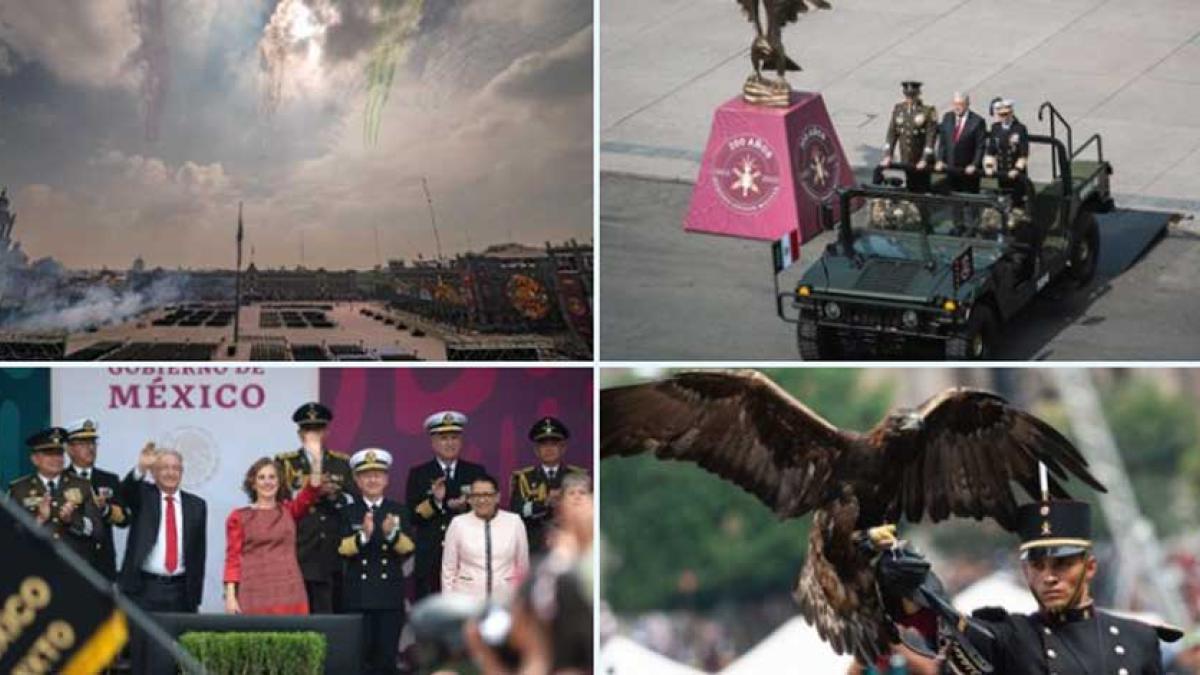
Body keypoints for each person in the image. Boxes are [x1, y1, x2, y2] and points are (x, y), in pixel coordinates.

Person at [874, 499, 1182, 675]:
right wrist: (908, 585)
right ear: (1025, 570)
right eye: (1038, 565)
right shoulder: (1011, 637)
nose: (1049, 576)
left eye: (1062, 564)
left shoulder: (1138, 638)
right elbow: (940, 627)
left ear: (1089, 567)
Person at [118, 443, 207, 675]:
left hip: (180, 591)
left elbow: (199, 553)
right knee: (142, 656)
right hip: (144, 589)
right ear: (155, 473)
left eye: (176, 468)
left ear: (182, 472)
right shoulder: (143, 496)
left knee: (178, 658)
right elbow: (125, 492)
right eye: (164, 468)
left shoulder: (197, 505)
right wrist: (140, 467)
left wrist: (194, 597)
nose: (170, 472)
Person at [338, 448, 415, 675]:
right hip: (357, 596)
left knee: (386, 659)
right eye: (366, 475)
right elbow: (342, 549)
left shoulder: (398, 510)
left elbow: (408, 549)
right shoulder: (348, 511)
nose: (373, 480)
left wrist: (392, 536)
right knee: (360, 659)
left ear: (387, 479)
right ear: (357, 480)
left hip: (388, 596)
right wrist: (364, 536)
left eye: (378, 474)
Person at [275, 401, 356, 613]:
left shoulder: (342, 463)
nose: (313, 435)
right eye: (308, 430)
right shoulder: (285, 463)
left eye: (318, 429)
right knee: (298, 618)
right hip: (299, 550)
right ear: (300, 433)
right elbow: (278, 503)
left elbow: (354, 501)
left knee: (332, 616)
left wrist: (334, 495)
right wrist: (309, 493)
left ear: (327, 432)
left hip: (332, 551)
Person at [224, 447, 323, 615]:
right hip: (253, 592)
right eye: (261, 478)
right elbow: (232, 559)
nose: (267, 482)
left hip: (289, 592)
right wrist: (231, 596)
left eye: (272, 477)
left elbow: (313, 489)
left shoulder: (290, 510)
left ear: (279, 482)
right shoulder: (239, 516)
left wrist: (316, 460)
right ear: (253, 483)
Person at [406, 410, 488, 600]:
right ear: (433, 442)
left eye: (454, 437)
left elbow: (488, 510)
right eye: (443, 438)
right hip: (431, 557)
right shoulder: (419, 473)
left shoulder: (475, 472)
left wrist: (466, 507)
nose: (450, 443)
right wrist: (437, 502)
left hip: (467, 556)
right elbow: (412, 516)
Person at [7, 426, 102, 563]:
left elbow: (98, 531)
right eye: (49, 454)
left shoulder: (82, 485)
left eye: (59, 453)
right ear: (35, 459)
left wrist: (73, 520)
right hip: (34, 567)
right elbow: (8, 535)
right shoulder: (19, 489)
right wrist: (38, 520)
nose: (56, 459)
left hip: (74, 568)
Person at [510, 417, 590, 556]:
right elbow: (517, 511)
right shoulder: (524, 478)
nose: (549, 449)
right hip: (535, 546)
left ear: (563, 448)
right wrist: (543, 503)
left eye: (553, 444)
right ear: (536, 450)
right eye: (543, 444)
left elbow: (587, 511)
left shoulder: (578, 476)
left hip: (570, 546)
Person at [441, 475, 530, 600]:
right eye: (476, 496)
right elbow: (448, 570)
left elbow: (522, 567)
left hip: (505, 599)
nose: (481, 500)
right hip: (467, 599)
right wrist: (449, 604)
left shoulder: (514, 522)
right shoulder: (458, 523)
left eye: (487, 494)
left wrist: (522, 601)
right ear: (470, 499)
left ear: (497, 497)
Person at [62, 418, 128, 582]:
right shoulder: (60, 480)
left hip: (102, 567)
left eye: (93, 442)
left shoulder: (109, 479)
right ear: (69, 449)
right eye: (83, 443)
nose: (90, 448)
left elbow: (125, 519)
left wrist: (106, 509)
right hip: (70, 565)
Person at [881, 81, 938, 193]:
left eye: (912, 96)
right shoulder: (899, 110)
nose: (910, 99)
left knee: (922, 188)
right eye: (907, 96)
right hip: (906, 158)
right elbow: (892, 134)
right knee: (910, 187)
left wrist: (925, 159)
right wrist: (888, 155)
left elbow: (930, 138)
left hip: (921, 159)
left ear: (918, 95)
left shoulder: (927, 111)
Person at [934, 92, 986, 194]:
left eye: (960, 104)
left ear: (967, 104)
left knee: (968, 200)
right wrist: (940, 159)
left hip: (968, 171)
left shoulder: (977, 121)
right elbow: (943, 142)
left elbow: (980, 147)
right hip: (951, 169)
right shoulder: (947, 117)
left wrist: (974, 165)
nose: (957, 107)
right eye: (955, 104)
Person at [984, 98, 1030, 206]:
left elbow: (1024, 153)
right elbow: (991, 150)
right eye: (1001, 115)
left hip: (1016, 173)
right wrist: (989, 166)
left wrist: (1017, 169)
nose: (1004, 117)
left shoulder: (1019, 129)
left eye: (1006, 114)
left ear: (1011, 113)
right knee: (1003, 198)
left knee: (1018, 200)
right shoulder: (995, 128)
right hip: (1002, 171)